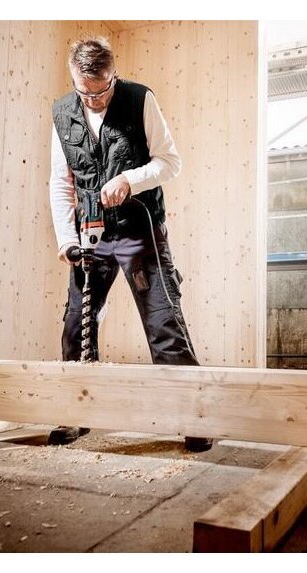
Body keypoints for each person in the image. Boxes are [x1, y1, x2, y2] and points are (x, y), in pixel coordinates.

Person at [47, 37, 212, 453]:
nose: (94, 100)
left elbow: (170, 162)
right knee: (77, 325)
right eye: (85, 92)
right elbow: (61, 183)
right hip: (91, 233)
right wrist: (66, 239)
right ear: (74, 79)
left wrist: (130, 179)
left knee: (163, 320)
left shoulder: (140, 99)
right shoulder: (62, 113)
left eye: (102, 90)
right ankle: (76, 412)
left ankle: (194, 416)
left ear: (113, 76)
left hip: (140, 229)